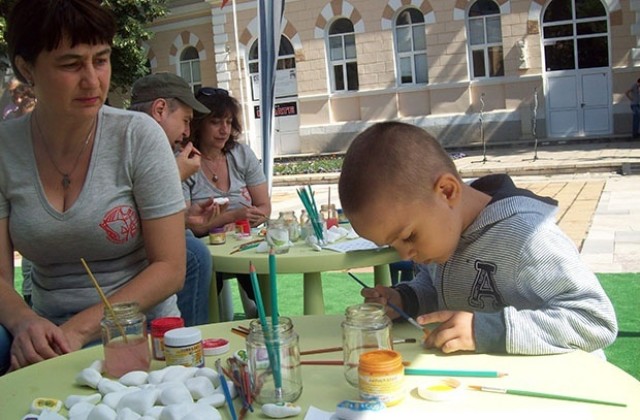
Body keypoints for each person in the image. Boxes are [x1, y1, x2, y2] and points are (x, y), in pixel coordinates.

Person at [0, 0, 186, 374]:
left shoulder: (137, 136)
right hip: (46, 338)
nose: (92, 80)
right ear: (26, 69)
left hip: (139, 333)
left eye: (100, 60)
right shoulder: (4, 148)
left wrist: (78, 330)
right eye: (70, 64)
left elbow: (170, 267)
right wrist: (25, 322)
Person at [338, 121, 618, 356]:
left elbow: (595, 320)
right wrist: (404, 299)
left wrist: (486, 330)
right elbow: (440, 288)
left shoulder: (527, 237)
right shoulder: (443, 235)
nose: (404, 255)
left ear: (447, 192)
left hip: (557, 395)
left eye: (409, 236)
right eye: (391, 245)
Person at [129, 72, 223, 326]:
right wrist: (176, 174)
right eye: (185, 120)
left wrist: (185, 219)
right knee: (193, 254)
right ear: (160, 109)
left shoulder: (152, 149)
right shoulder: (130, 145)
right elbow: (123, 220)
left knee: (192, 246)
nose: (187, 132)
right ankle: (187, 342)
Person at [184, 88, 271, 317]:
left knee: (258, 263)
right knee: (211, 271)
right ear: (198, 125)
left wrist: (245, 222)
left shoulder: (241, 154)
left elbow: (264, 208)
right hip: (205, 250)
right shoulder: (185, 161)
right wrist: (232, 217)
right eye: (215, 122)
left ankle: (263, 317)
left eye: (229, 122)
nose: (225, 130)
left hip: (244, 243)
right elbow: (190, 225)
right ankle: (216, 324)